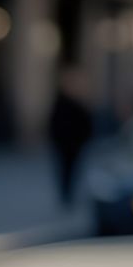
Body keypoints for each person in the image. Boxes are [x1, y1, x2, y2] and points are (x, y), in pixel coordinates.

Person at [47, 64, 94, 210]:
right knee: (64, 171)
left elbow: (86, 122)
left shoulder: (78, 102)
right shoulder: (61, 102)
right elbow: (54, 123)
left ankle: (69, 195)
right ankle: (66, 196)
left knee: (74, 171)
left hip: (75, 144)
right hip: (64, 144)